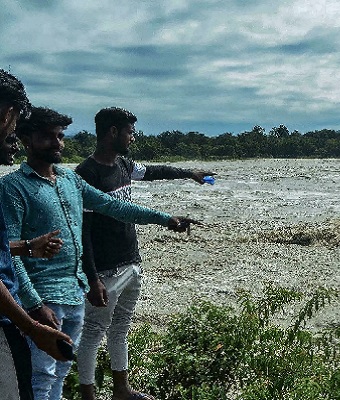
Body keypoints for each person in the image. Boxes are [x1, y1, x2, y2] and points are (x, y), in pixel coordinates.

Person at [0, 106, 198, 400]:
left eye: (60, 136)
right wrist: (33, 304)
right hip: (43, 300)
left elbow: (116, 207)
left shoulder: (70, 180)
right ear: (26, 139)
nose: (57, 144)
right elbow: (7, 255)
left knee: (60, 375)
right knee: (40, 379)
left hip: (74, 294)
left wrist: (165, 218)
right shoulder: (13, 187)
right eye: (48, 137)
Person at [75, 107, 214, 400]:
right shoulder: (87, 173)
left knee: (121, 327)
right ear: (113, 132)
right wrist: (92, 277)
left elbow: (153, 172)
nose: (133, 138)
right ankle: (87, 395)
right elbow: (82, 231)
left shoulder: (124, 165)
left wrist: (190, 174)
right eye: (130, 132)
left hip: (130, 260)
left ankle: (121, 389)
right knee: (93, 331)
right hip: (105, 268)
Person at [0, 69, 72, 400]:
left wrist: (27, 247)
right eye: (15, 128)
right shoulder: (13, 187)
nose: (13, 136)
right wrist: (31, 325)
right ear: (7, 115)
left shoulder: (68, 180)